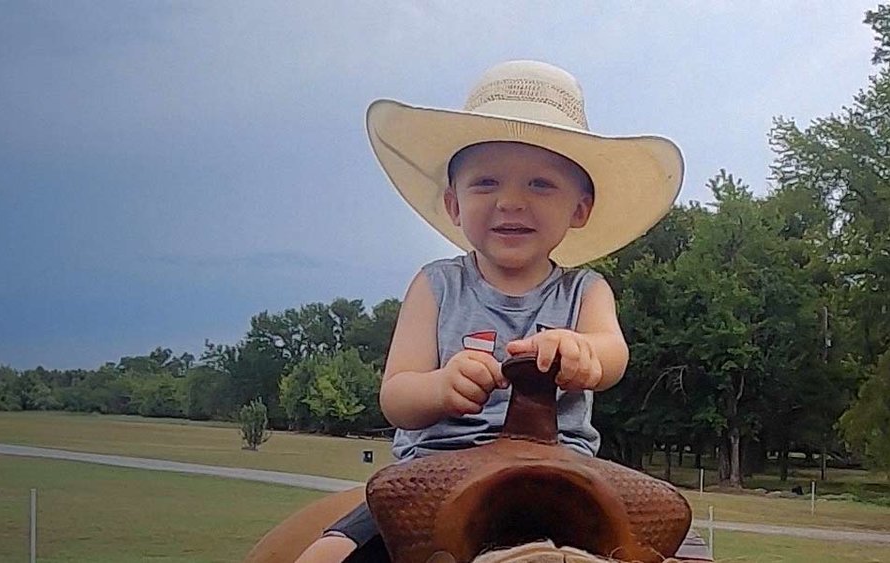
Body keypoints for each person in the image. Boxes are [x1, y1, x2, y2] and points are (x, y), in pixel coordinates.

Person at [292, 60, 687, 563]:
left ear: (580, 208)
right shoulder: (435, 285)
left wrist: (583, 354)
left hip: (563, 471)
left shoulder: (586, 291)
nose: (511, 202)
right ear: (454, 204)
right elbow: (396, 395)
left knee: (673, 544)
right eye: (486, 184)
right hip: (435, 473)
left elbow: (612, 354)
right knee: (322, 558)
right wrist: (440, 387)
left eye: (541, 185)